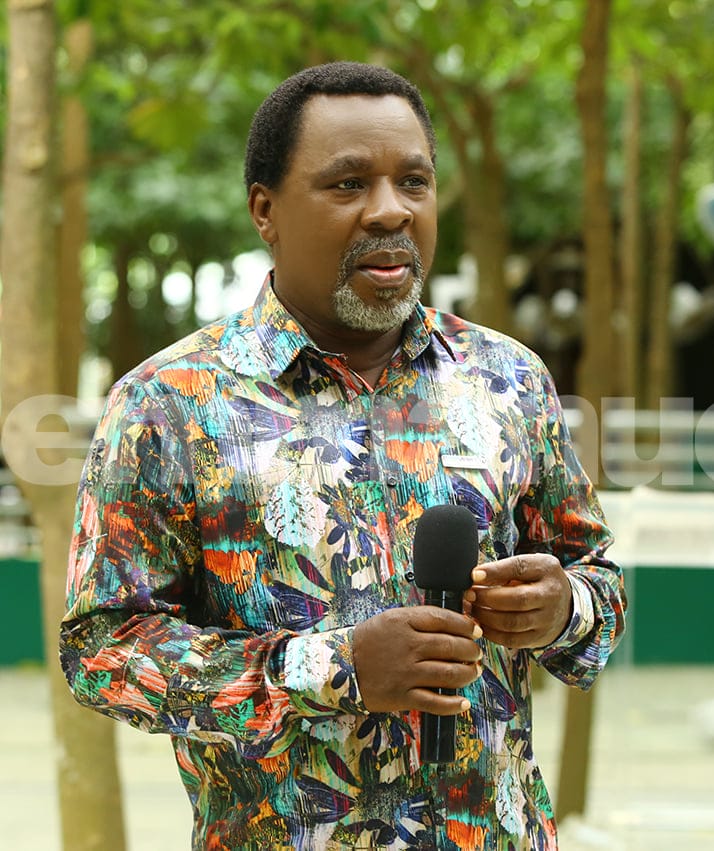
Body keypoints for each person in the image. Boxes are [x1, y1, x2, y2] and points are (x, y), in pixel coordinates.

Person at [60, 62, 625, 851]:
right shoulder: (167, 403)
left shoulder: (509, 378)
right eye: (349, 183)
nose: (391, 209)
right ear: (266, 210)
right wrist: (332, 667)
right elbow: (102, 650)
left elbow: (598, 579)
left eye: (414, 181)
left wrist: (563, 607)